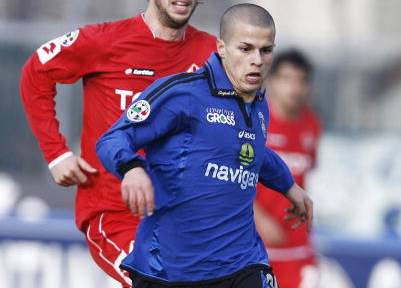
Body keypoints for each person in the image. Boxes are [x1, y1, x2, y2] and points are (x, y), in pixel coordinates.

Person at [96, 4, 313, 288]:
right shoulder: (183, 94)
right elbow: (112, 139)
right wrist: (132, 168)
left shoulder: (259, 105)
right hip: (170, 270)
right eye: (245, 49)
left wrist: (289, 186)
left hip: (242, 263)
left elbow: (251, 151)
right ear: (222, 47)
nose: (257, 60)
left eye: (266, 50)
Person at [19, 1, 216, 287]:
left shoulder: (213, 54)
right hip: (116, 215)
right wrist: (56, 153)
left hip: (184, 219)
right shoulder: (105, 40)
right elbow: (36, 71)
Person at [254, 49, 322, 288]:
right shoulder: (254, 121)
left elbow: (303, 179)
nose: (294, 88)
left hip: (298, 247)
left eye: (301, 81)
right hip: (256, 246)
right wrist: (259, 218)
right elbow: (234, 178)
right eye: (287, 79)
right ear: (271, 81)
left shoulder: (312, 125)